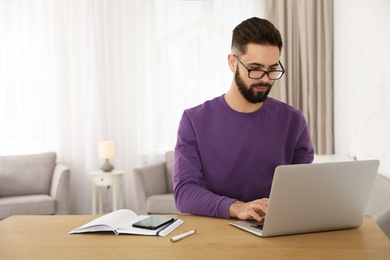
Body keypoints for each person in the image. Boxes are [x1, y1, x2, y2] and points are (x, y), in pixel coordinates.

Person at [173, 17, 314, 222]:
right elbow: (184, 193)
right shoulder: (194, 120)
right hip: (218, 230)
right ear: (232, 62)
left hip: (274, 230)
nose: (265, 78)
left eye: (272, 69)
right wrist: (237, 207)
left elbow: (300, 188)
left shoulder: (293, 120)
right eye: (255, 68)